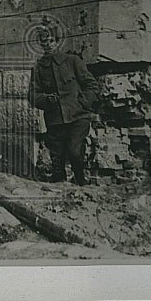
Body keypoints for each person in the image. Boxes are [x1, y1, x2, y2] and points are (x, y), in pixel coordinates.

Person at [28, 30, 100, 185]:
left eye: (51, 40)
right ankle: (60, 189)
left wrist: (84, 103)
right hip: (55, 119)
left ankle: (80, 181)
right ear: (40, 44)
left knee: (75, 152)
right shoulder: (39, 68)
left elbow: (91, 84)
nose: (48, 44)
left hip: (78, 116)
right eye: (44, 41)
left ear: (57, 41)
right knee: (57, 159)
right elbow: (32, 95)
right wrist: (46, 100)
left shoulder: (72, 61)